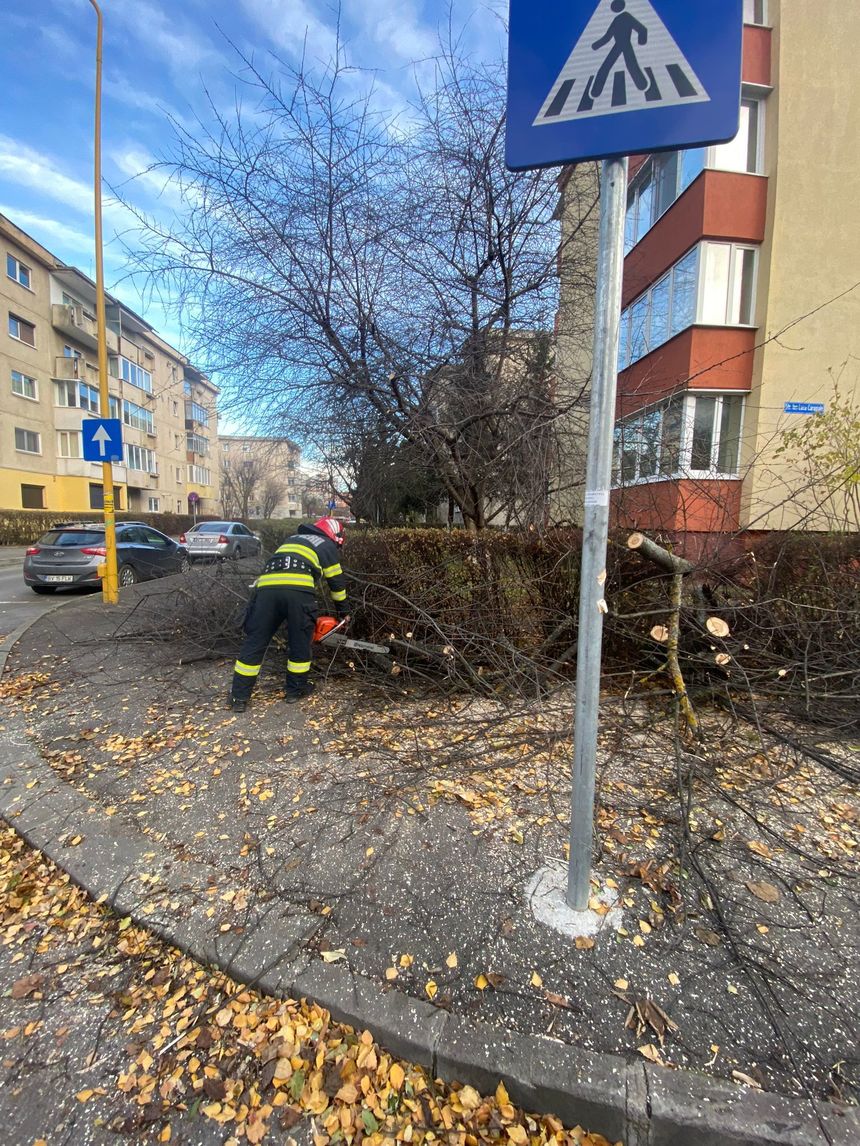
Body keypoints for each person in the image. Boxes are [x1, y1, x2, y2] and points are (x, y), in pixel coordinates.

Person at [228, 517, 349, 711]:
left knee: (255, 642)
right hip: (298, 592)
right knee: (299, 641)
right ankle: (295, 690)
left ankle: (239, 698)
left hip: (266, 591)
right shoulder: (326, 544)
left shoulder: (292, 539)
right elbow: (336, 582)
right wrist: (344, 612)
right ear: (334, 536)